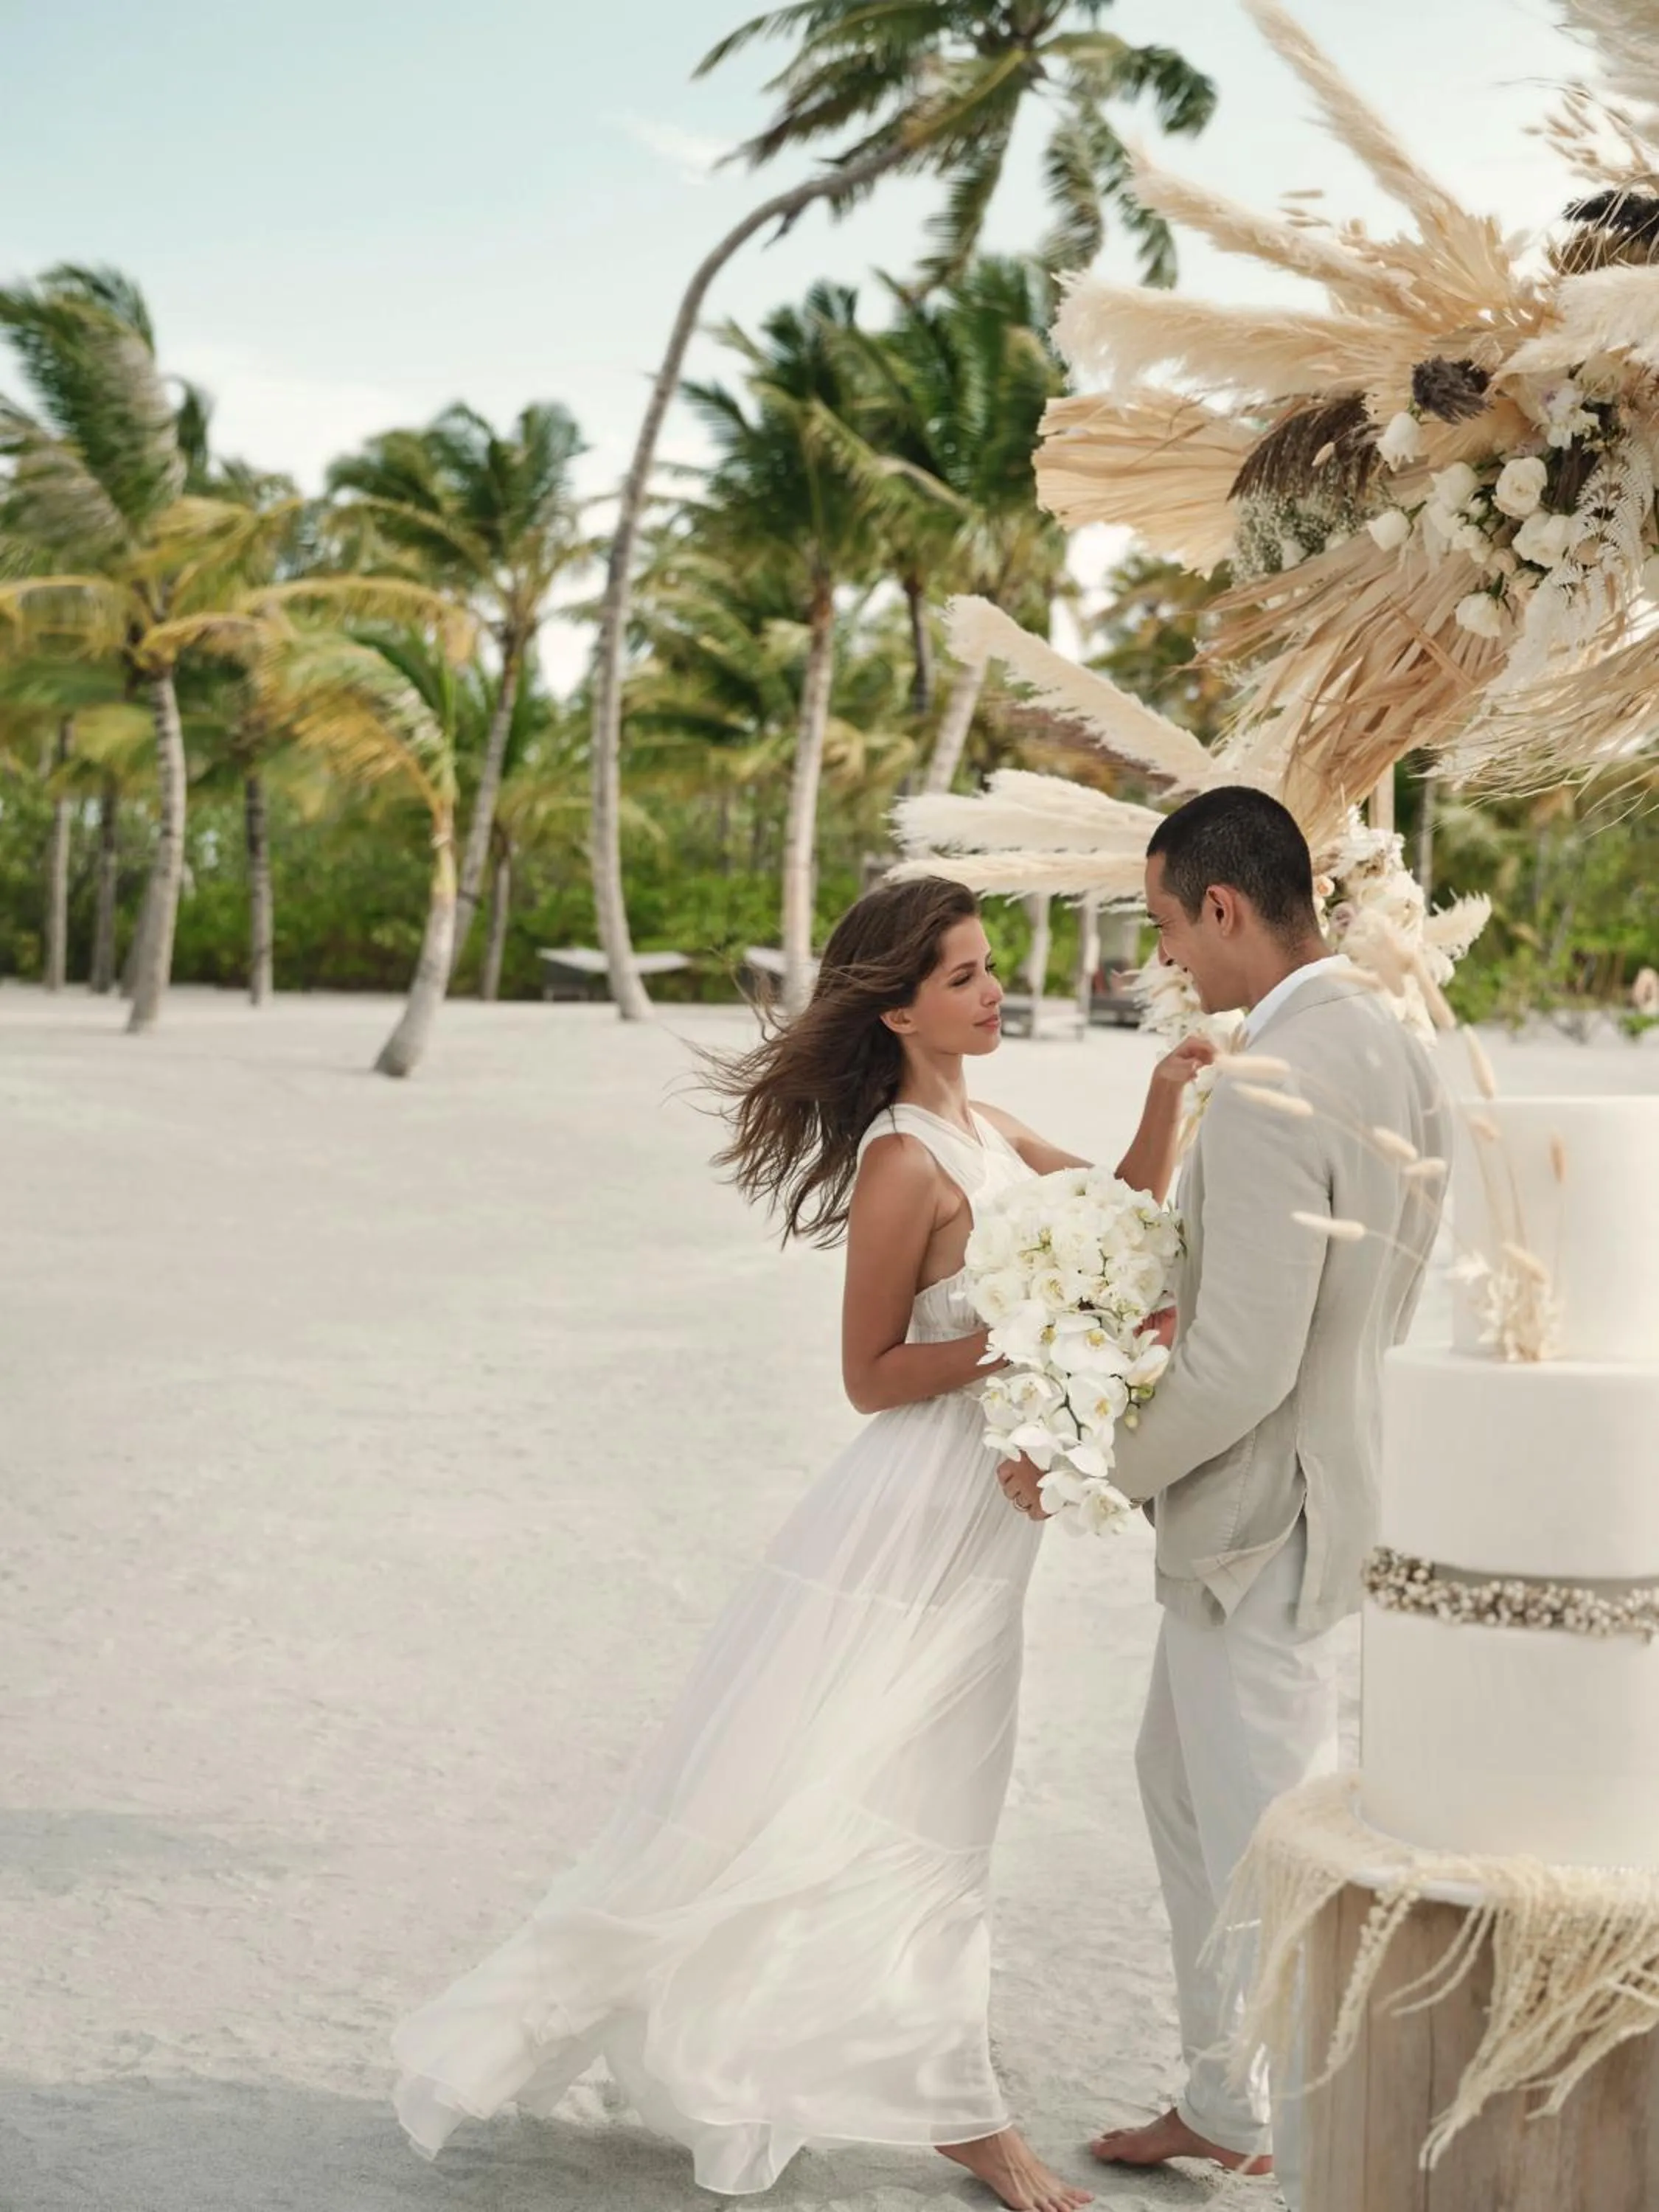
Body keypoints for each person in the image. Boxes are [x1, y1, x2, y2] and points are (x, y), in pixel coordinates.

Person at [391, 875, 1211, 2212]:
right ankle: (964, 2115)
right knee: (902, 1798)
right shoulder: (904, 1158)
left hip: (984, 1521)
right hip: (905, 1521)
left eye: (989, 966)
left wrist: (1168, 1102)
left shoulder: (987, 1123)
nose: (994, 990)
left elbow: (1120, 1233)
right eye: (963, 977)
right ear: (896, 1010)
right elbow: (872, 1374)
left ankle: (895, 2075)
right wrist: (1031, 1348)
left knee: (909, 1795)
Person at [998, 788, 1448, 2210]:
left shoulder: (1265, 1082)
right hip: (1331, 1484)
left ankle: (1317, 2160)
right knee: (1185, 1789)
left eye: (1166, 925)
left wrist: (1088, 1464)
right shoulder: (1387, 1040)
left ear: (1223, 907)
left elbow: (1242, 1363)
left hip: (1256, 1517)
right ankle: (1222, 2098)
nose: (1167, 959)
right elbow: (1369, 1293)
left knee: (1271, 1852)